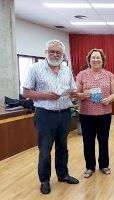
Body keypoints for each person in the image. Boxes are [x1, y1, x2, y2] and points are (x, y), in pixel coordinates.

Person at [22, 39, 79, 195]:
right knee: (45, 149)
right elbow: (25, 92)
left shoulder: (67, 70)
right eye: (52, 51)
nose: (55, 54)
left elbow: (73, 89)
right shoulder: (35, 68)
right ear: (46, 53)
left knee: (63, 148)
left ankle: (63, 175)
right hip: (45, 115)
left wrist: (73, 94)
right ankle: (45, 180)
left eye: (58, 52)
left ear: (63, 54)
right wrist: (45, 95)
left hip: (64, 113)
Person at [76, 48, 114, 178]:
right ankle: (89, 167)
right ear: (89, 60)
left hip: (104, 113)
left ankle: (104, 165)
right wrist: (83, 94)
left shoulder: (109, 75)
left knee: (103, 140)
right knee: (88, 141)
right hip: (86, 114)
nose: (95, 60)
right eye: (93, 57)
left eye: (98, 57)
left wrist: (110, 98)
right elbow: (75, 95)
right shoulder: (81, 75)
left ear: (102, 60)